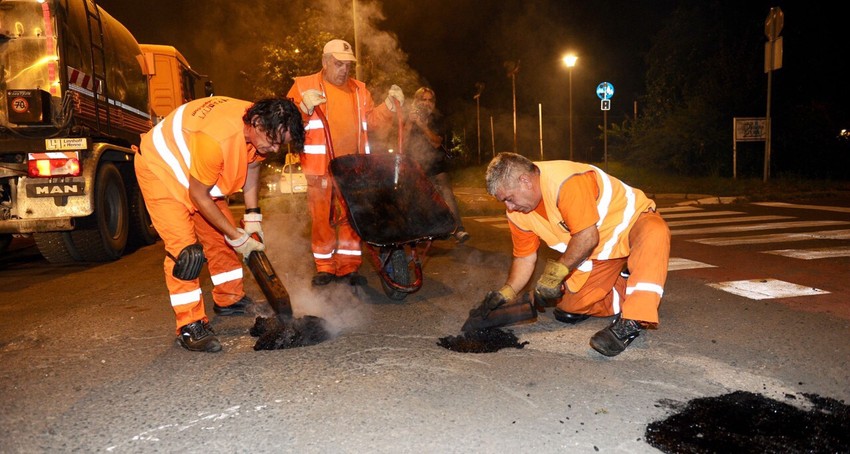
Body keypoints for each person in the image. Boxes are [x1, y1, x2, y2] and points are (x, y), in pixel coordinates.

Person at [135, 96, 305, 352]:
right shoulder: (216, 139)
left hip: (197, 176)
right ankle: (189, 324)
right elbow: (199, 195)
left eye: (282, 145)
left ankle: (229, 299)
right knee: (186, 253)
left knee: (222, 239)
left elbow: (253, 167)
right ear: (256, 124)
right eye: (273, 142)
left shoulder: (257, 126)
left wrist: (252, 217)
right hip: (162, 171)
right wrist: (238, 237)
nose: (275, 150)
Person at [478, 152, 670, 357]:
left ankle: (632, 321)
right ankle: (623, 284)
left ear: (525, 181)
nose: (509, 207)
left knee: (655, 232)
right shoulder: (517, 214)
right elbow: (525, 257)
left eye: (509, 198)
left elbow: (587, 237)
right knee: (570, 307)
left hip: (631, 226)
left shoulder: (565, 182)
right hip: (600, 251)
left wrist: (554, 275)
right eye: (504, 202)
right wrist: (507, 292)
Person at [286, 38, 404, 287]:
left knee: (352, 217)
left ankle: (349, 267)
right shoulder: (304, 86)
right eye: (339, 64)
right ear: (325, 62)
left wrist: (389, 107)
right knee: (321, 219)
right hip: (320, 168)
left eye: (348, 65)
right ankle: (325, 267)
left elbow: (372, 122)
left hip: (353, 168)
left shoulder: (360, 90)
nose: (344, 70)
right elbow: (287, 126)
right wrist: (303, 108)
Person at [403, 87, 469, 243]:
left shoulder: (437, 118)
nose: (426, 103)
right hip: (416, 166)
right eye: (423, 100)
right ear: (416, 102)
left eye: (430, 100)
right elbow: (403, 144)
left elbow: (437, 142)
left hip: (436, 165)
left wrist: (423, 125)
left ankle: (458, 229)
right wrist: (410, 124)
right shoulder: (410, 118)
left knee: (447, 194)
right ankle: (422, 232)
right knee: (419, 199)